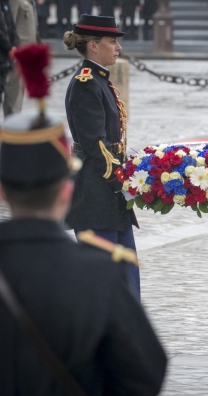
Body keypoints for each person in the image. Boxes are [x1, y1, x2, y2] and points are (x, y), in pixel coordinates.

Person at [0, 59, 167, 396]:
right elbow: (146, 373)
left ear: (2, 190)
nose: (119, 47)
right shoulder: (99, 272)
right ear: (66, 190)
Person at [63, 15, 141, 299]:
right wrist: (121, 180)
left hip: (109, 194)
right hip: (96, 192)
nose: (118, 47)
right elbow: (96, 144)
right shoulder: (86, 84)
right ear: (94, 46)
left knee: (125, 277)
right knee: (104, 283)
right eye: (113, 41)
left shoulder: (98, 80)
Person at [3, 0, 31, 117]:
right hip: (15, 53)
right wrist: (11, 47)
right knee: (14, 93)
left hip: (25, 52)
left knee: (19, 91)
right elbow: (8, 24)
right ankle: (12, 126)